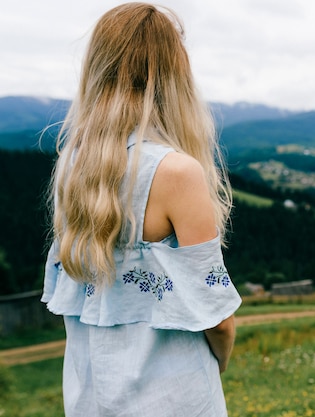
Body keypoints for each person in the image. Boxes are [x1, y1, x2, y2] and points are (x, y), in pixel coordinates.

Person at [41, 3, 241, 416]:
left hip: (91, 399)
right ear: (172, 76)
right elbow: (216, 317)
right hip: (175, 397)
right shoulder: (176, 172)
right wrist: (218, 362)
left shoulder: (72, 168)